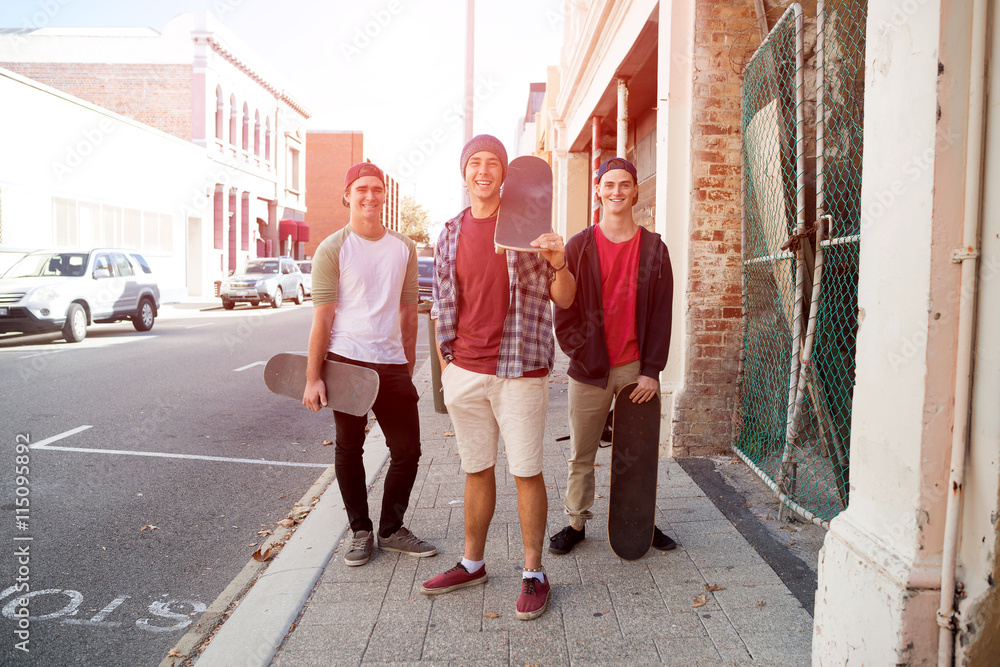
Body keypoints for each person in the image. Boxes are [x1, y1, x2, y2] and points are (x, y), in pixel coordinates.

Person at [420, 135, 575, 621]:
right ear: (464, 172)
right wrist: (448, 362)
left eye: (493, 163)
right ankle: (473, 563)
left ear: (504, 173)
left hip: (519, 370)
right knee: (475, 468)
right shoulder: (449, 231)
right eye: (475, 163)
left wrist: (559, 261)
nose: (483, 170)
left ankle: (534, 573)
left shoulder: (528, 226)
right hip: (465, 371)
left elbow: (565, 299)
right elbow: (443, 301)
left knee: (526, 470)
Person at [302, 161, 436, 567]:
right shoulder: (333, 248)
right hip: (347, 363)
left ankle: (392, 529)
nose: (370, 196)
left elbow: (409, 314)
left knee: (408, 450)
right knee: (349, 447)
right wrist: (313, 378)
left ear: (384, 195)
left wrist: (407, 368)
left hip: (392, 363)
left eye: (377, 189)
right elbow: (322, 318)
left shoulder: (404, 248)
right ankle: (360, 531)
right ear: (348, 194)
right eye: (361, 189)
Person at [549, 157, 678, 556]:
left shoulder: (654, 248)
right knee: (582, 453)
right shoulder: (580, 245)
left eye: (625, 185)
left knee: (637, 454)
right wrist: (580, 353)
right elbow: (564, 310)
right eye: (609, 185)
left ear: (636, 191)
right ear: (599, 191)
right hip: (590, 369)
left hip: (636, 369)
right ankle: (575, 522)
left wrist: (652, 371)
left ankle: (641, 521)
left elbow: (661, 313)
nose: (617, 192)